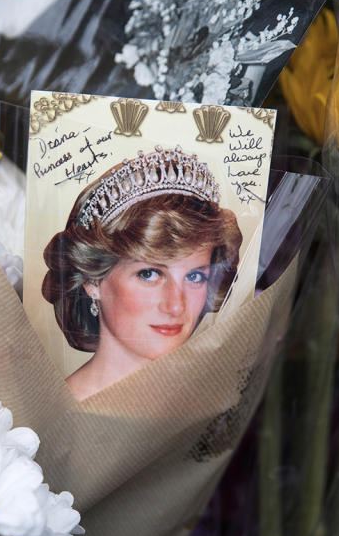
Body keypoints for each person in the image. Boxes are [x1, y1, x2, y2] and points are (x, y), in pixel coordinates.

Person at [42, 147, 243, 400]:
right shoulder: (60, 413)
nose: (175, 306)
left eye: (194, 277)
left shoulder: (213, 404)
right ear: (93, 280)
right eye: (149, 274)